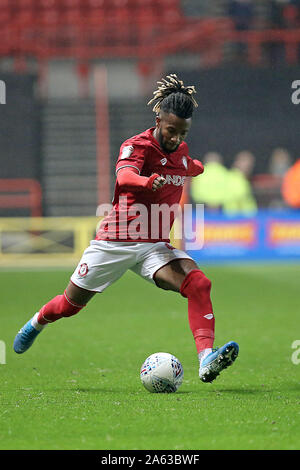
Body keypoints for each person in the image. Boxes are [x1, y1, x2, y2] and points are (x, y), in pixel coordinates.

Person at [13, 74, 239, 383]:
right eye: (171, 130)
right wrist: (147, 181)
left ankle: (205, 359)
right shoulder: (137, 146)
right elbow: (124, 177)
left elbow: (187, 165)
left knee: (199, 284)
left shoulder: (181, 152)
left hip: (155, 246)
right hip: (116, 241)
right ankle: (37, 322)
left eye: (182, 132)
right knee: (69, 305)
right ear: (158, 119)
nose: (175, 138)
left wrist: (196, 168)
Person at [223, 150, 257, 215]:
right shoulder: (234, 179)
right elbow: (237, 199)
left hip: (244, 219)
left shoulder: (243, 179)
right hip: (238, 219)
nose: (248, 166)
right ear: (236, 163)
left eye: (250, 163)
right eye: (244, 161)